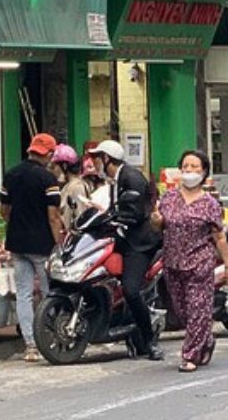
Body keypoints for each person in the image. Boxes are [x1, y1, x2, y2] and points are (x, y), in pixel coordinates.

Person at [152, 150, 228, 373]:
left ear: (204, 171)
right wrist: (156, 221)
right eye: (186, 166)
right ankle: (205, 339)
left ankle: (189, 356)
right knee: (183, 311)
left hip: (200, 262)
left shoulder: (210, 204)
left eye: (195, 167)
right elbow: (160, 226)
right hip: (173, 262)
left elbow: (219, 236)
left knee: (198, 309)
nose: (189, 171)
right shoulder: (169, 198)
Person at [88, 139, 164, 361]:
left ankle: (150, 340)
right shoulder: (116, 178)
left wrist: (118, 216)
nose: (95, 162)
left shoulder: (131, 177)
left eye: (98, 158)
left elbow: (136, 211)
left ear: (107, 159)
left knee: (131, 290)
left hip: (140, 243)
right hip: (121, 238)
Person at [0, 133, 65, 361]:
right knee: (50, 293)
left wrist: (17, 225)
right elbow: (54, 216)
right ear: (48, 154)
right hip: (42, 246)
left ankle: (30, 345)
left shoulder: (11, 175)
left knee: (24, 294)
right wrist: (60, 243)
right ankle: (52, 338)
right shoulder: (48, 180)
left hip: (17, 243)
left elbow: (4, 211)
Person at [55, 145, 93, 230]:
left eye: (55, 166)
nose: (54, 170)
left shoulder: (77, 187)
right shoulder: (68, 186)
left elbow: (80, 216)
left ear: (64, 166)